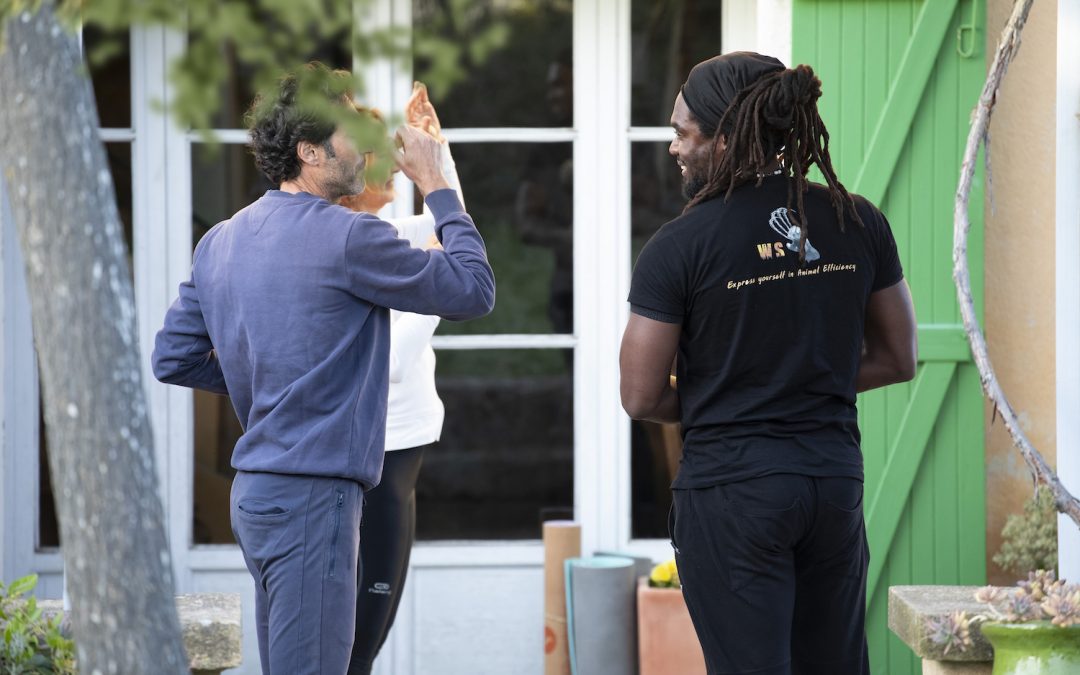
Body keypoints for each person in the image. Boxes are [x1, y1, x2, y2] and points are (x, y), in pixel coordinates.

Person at [151, 63, 495, 675]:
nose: (361, 149)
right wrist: (438, 183)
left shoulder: (221, 240)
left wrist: (276, 380)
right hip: (314, 499)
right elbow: (473, 290)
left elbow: (173, 357)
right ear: (309, 151)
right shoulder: (347, 238)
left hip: (255, 494)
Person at [619, 52, 917, 675]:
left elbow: (641, 396)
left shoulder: (679, 246)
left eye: (683, 133)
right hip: (832, 487)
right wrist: (812, 387)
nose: (674, 148)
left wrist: (722, 397)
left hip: (734, 495)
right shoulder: (855, 219)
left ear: (725, 139)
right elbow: (898, 358)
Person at [337, 83, 463, 675]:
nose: (392, 161)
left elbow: (457, 228)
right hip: (369, 456)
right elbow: (378, 361)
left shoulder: (386, 233)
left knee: (368, 632)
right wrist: (438, 287)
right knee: (355, 639)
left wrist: (438, 156)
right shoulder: (338, 245)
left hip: (401, 451)